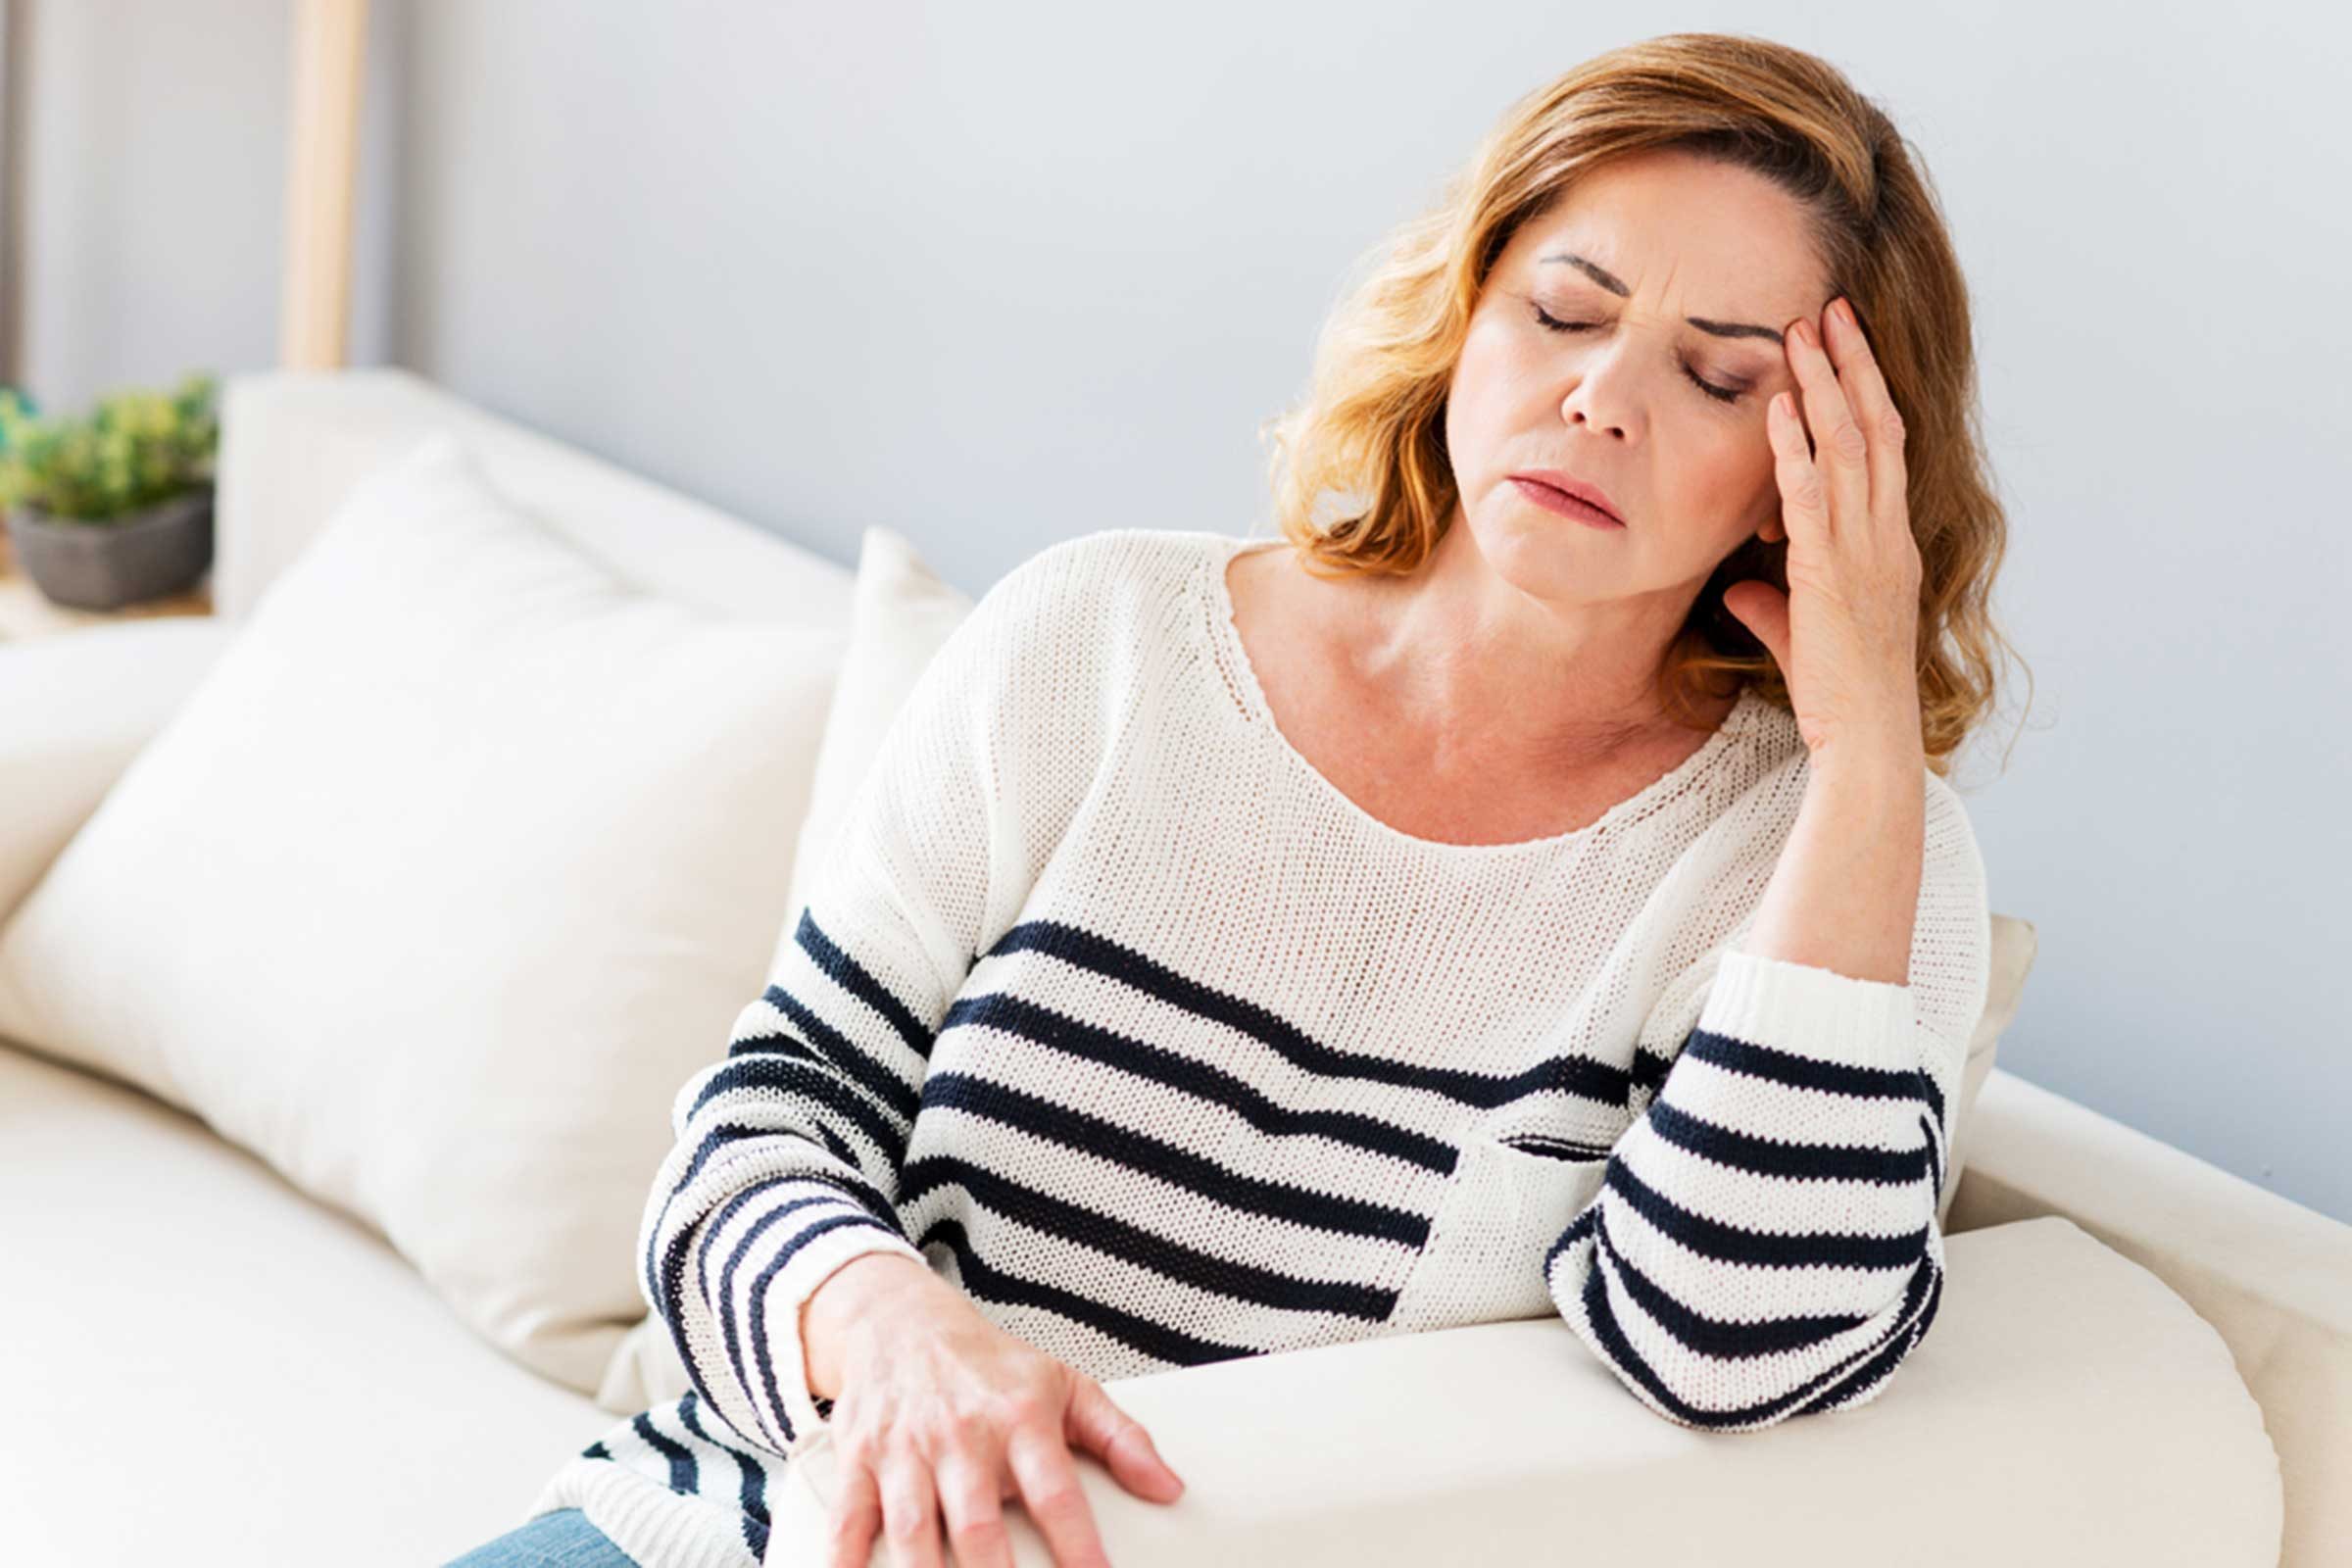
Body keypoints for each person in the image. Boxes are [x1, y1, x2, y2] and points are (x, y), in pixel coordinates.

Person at [448, 28, 2012, 1568]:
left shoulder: (1839, 859)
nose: (1603, 396)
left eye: (1720, 377)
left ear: (1823, 475)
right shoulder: (1100, 639)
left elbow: (1729, 1350)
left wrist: (1867, 754)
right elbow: (752, 1138)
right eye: (1561, 310)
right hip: (730, 1528)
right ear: (1468, 308)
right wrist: (891, 1330)